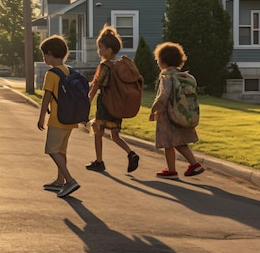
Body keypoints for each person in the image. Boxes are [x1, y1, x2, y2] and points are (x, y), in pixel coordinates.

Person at [86, 25, 140, 173]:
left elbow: (97, 86)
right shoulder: (119, 66)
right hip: (117, 105)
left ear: (109, 50)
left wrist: (88, 101)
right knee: (115, 135)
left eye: (101, 47)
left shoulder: (104, 66)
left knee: (98, 132)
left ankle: (99, 161)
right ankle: (131, 153)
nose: (99, 50)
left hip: (105, 104)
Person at [149, 42, 204, 179]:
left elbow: (163, 97)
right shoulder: (184, 77)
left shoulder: (166, 76)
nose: (157, 62)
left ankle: (172, 170)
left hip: (168, 116)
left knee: (169, 143)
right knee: (179, 142)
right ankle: (194, 165)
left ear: (163, 61)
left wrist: (153, 110)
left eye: (158, 60)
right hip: (181, 113)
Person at [37, 35, 81, 198]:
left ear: (49, 54)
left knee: (52, 150)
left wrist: (41, 116)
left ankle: (69, 180)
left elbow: (46, 97)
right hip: (69, 119)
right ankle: (59, 181)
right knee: (61, 151)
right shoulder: (69, 70)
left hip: (57, 119)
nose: (44, 58)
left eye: (44, 54)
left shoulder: (52, 74)